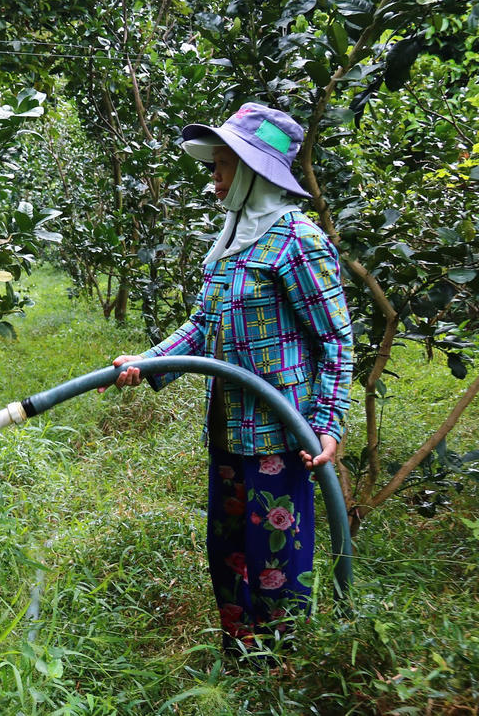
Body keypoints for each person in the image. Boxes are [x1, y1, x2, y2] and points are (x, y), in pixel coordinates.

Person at [104, 103, 353, 657]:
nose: (214, 181)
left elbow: (335, 339)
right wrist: (145, 360)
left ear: (252, 172)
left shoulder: (297, 240)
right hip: (228, 430)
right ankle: (239, 655)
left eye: (222, 167)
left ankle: (282, 663)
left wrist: (327, 423)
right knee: (229, 549)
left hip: (279, 433)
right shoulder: (233, 240)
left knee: (276, 554)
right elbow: (201, 328)